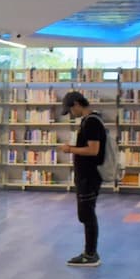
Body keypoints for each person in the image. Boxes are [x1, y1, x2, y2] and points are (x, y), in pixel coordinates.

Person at [53, 91, 106, 267]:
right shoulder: (90, 120)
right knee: (85, 214)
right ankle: (90, 252)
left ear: (76, 104)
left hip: (89, 176)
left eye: (70, 110)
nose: (71, 113)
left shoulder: (91, 122)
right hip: (86, 176)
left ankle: (90, 254)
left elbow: (93, 150)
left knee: (87, 214)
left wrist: (70, 149)